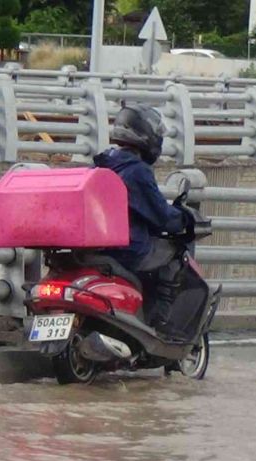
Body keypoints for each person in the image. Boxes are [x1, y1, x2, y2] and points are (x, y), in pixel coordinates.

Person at [92, 104, 190, 339]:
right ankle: (159, 322)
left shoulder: (101, 164)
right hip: (128, 248)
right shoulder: (137, 170)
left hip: (95, 245)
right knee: (173, 258)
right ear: (147, 136)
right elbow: (162, 217)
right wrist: (185, 219)